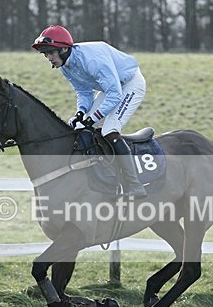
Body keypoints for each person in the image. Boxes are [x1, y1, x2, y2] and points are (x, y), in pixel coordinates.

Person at [31, 25, 147, 198]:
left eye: (50, 52)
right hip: (112, 88)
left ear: (63, 49)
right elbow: (84, 92)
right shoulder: (65, 66)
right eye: (45, 54)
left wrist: (93, 117)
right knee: (84, 128)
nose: (48, 58)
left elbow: (115, 95)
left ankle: (135, 185)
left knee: (109, 129)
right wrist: (81, 113)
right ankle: (107, 177)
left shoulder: (92, 61)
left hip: (130, 84)